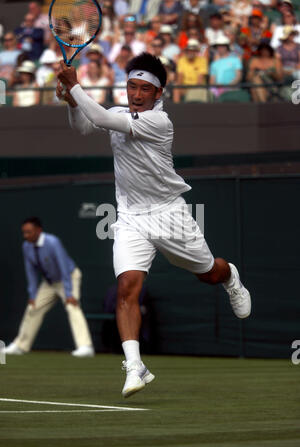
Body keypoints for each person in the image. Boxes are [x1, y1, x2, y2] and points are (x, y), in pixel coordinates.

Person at [57, 52, 251, 398]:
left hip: (169, 214)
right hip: (130, 216)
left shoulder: (160, 123)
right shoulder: (119, 112)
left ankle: (230, 277)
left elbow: (99, 115)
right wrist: (72, 101)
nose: (136, 94)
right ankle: (135, 367)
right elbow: (84, 125)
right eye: (131, 86)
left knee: (207, 273)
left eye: (144, 89)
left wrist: (75, 87)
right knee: (127, 287)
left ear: (158, 93)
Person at [4, 217, 94, 357]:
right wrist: (32, 295)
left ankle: (85, 347)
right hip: (49, 283)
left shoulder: (52, 242)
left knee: (72, 307)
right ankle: (20, 345)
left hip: (69, 277)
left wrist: (69, 293)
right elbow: (31, 272)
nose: (26, 236)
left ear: (39, 230)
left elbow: (64, 267)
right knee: (32, 308)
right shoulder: (26, 246)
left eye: (29, 232)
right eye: (24, 232)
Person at [174, 38, 208, 103]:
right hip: (185, 88)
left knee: (197, 91)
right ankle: (177, 109)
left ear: (196, 52)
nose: (190, 52)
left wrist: (193, 91)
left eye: (192, 50)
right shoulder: (182, 60)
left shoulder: (202, 60)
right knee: (176, 89)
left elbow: (200, 79)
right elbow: (180, 77)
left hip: (198, 87)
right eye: (188, 50)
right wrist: (179, 87)